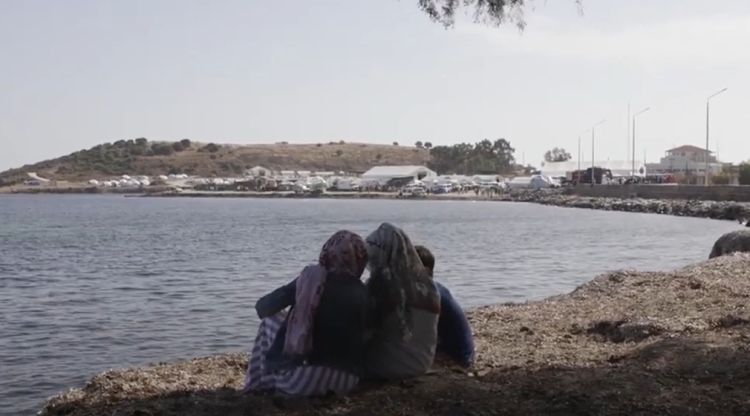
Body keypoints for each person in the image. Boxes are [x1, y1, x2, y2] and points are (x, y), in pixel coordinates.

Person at [244, 230, 369, 396]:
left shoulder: (312, 278)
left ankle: (257, 384)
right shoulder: (364, 292)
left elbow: (263, 308)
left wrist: (299, 310)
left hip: (303, 381)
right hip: (347, 382)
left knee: (269, 320)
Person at [362, 223, 441, 380]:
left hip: (391, 368)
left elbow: (365, 330)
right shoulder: (428, 285)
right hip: (422, 363)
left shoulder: (381, 285)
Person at [414, 245, 475, 368]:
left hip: (457, 358)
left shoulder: (432, 295)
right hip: (459, 353)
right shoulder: (435, 289)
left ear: (425, 271)